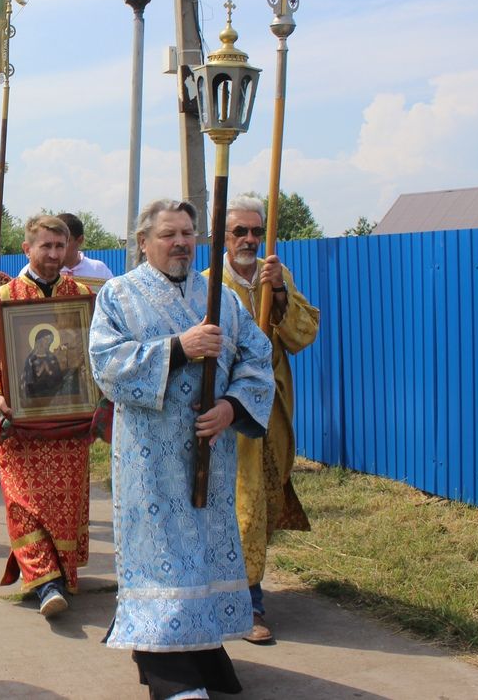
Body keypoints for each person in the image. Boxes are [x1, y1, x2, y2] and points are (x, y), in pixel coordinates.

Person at [89, 199, 273, 700]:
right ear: (144, 242)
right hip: (151, 460)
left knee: (204, 548)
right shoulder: (119, 295)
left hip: (211, 455)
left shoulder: (223, 299)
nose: (181, 243)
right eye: (169, 234)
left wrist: (233, 407)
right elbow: (105, 365)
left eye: (189, 233)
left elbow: (258, 356)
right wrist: (177, 348)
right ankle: (166, 660)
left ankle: (203, 646)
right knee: (162, 551)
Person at [0, 214, 97, 618]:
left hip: (69, 425)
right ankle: (45, 582)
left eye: (61, 247)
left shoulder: (80, 296)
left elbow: (92, 354)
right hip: (21, 426)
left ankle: (59, 576)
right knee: (23, 503)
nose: (54, 254)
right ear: (28, 249)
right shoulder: (4, 298)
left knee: (63, 502)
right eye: (46, 247)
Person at [215, 195, 319, 643]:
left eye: (257, 232)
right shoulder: (207, 286)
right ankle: (248, 606)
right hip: (227, 415)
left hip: (271, 409)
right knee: (241, 506)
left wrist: (278, 292)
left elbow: (302, 334)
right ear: (224, 236)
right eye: (241, 231)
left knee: (260, 504)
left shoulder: (277, 275)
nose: (251, 240)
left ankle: (243, 596)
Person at [56, 212, 115, 281]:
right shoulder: (46, 271)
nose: (56, 247)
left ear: (80, 240)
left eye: (64, 242)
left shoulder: (98, 270)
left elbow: (115, 291)